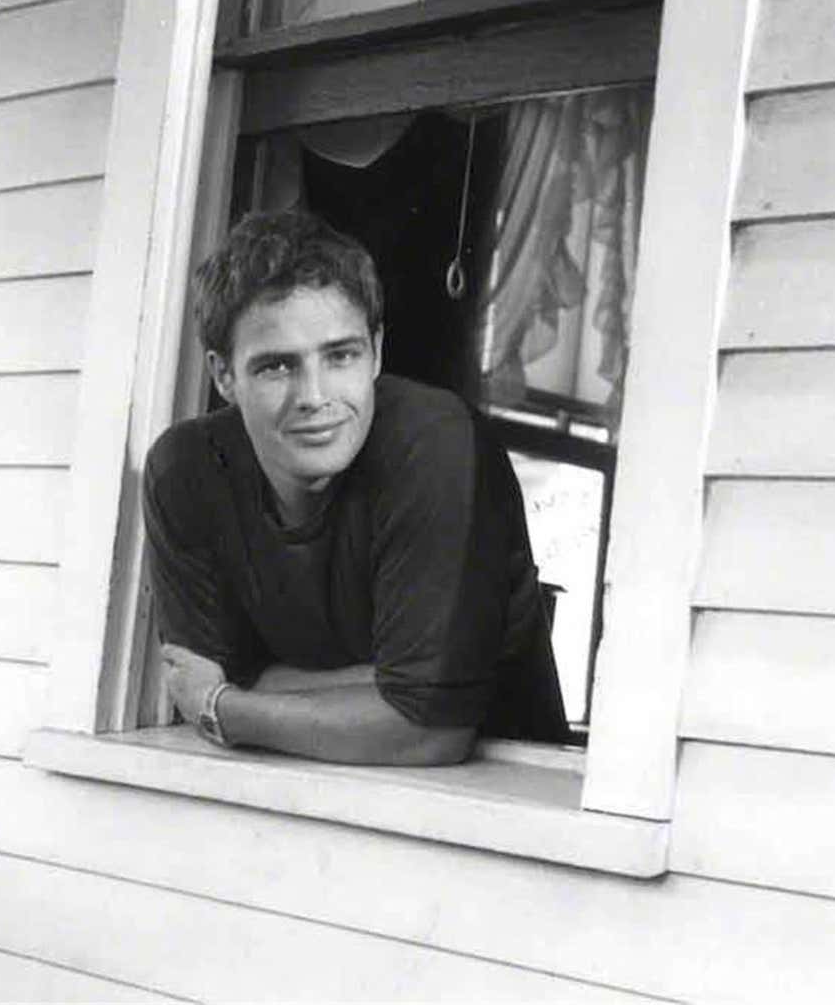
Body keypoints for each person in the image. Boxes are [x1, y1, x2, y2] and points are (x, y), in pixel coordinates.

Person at [143, 209, 568, 765]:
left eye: (340, 355)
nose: (315, 396)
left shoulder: (435, 442)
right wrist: (386, 691)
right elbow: (193, 675)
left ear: (377, 352)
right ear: (224, 375)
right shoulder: (186, 470)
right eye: (276, 367)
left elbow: (428, 731)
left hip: (506, 794)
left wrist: (225, 707)